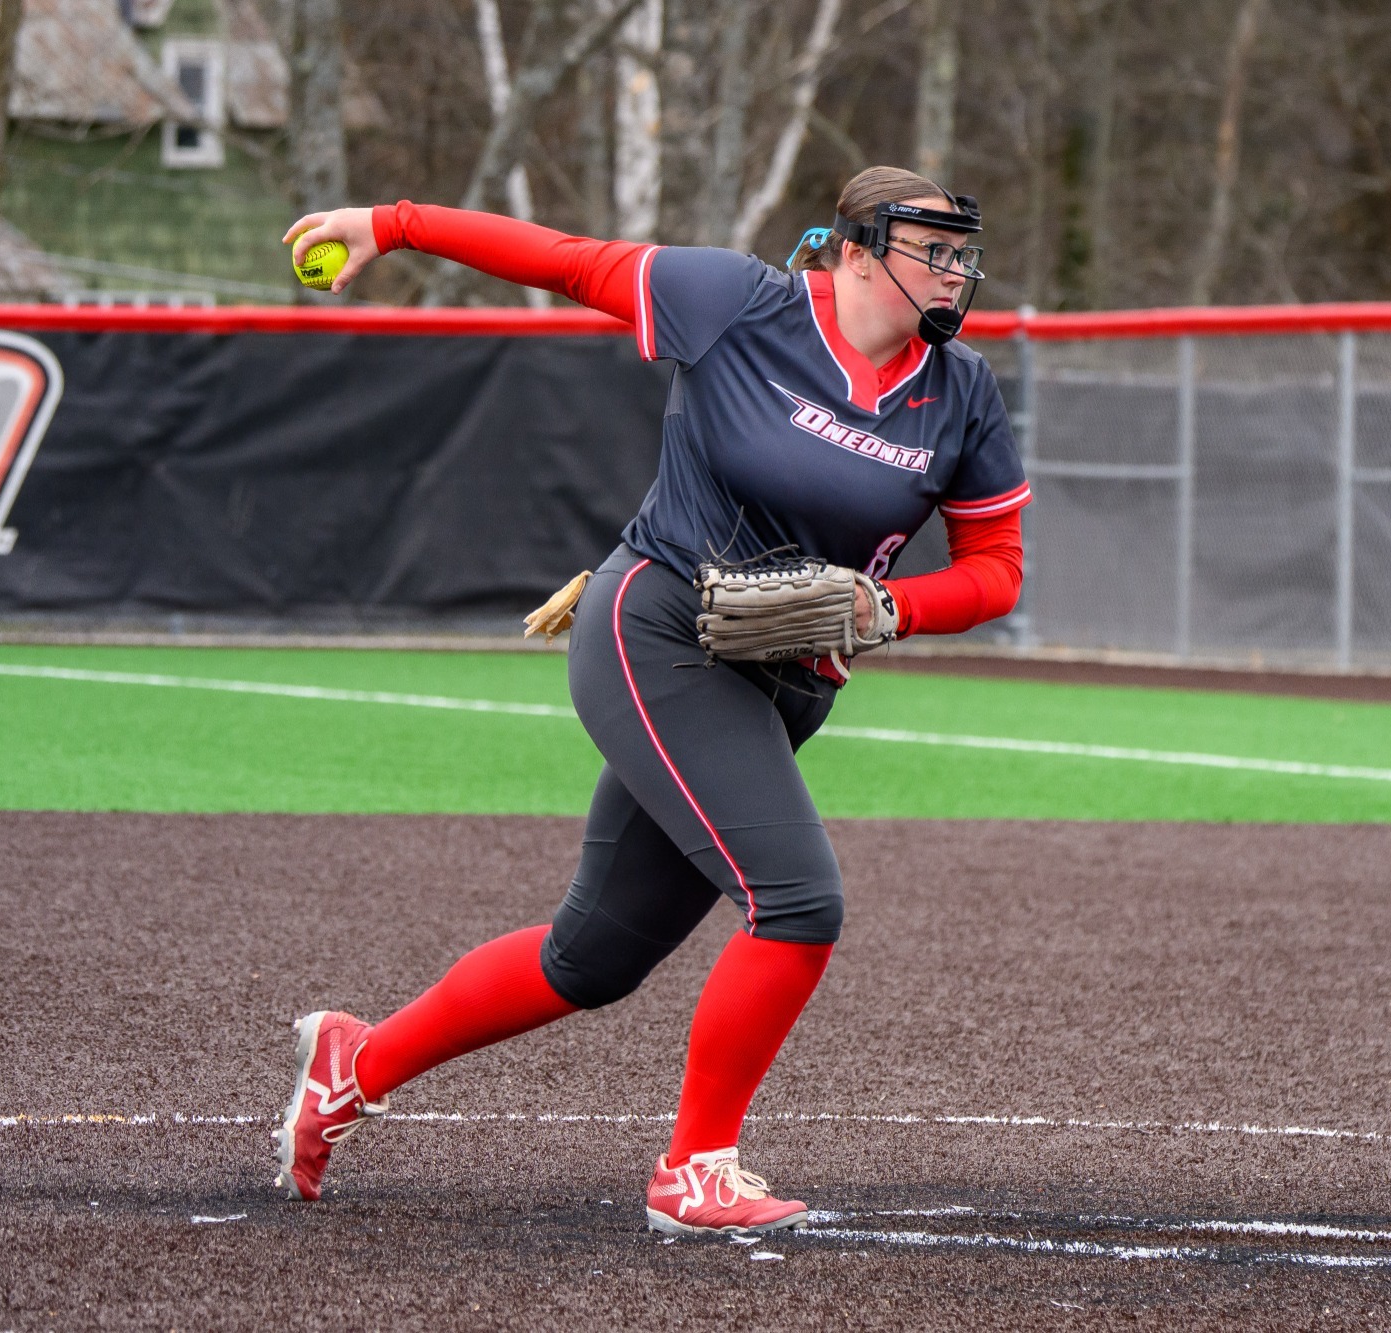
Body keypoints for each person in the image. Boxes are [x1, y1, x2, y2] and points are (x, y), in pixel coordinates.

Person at [273, 166, 1030, 1237]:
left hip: (787, 679)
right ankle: (695, 1167)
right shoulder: (740, 303)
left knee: (592, 957)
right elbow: (563, 259)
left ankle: (358, 1060)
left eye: (963, 254)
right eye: (931, 250)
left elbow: (996, 569)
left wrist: (883, 607)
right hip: (656, 628)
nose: (955, 271)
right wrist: (389, 224)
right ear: (855, 252)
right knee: (798, 901)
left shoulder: (959, 392)